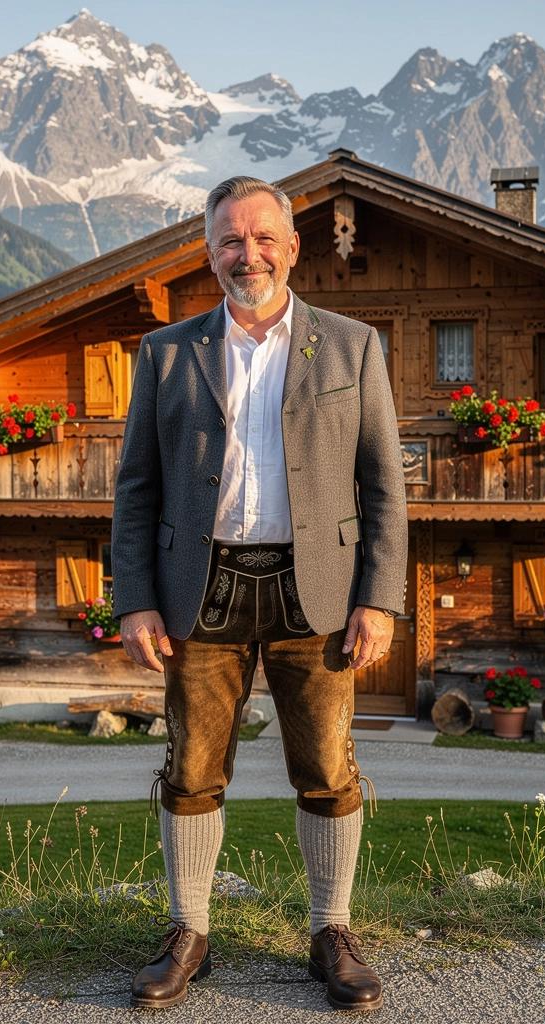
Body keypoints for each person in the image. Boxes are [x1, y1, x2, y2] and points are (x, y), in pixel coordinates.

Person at [111, 175, 407, 1012]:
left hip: (315, 588)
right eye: (232, 241)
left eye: (264, 237)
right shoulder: (167, 352)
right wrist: (133, 597)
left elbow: (385, 485)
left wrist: (378, 597)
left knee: (325, 767)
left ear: (293, 245)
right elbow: (136, 487)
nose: (250, 254)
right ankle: (189, 931)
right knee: (193, 768)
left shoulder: (353, 346)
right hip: (197, 587)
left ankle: (331, 931)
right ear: (210, 253)